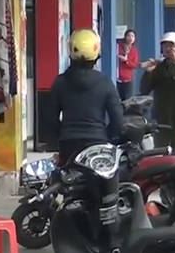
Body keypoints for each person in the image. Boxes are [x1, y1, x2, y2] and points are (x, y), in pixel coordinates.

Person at [49, 28, 124, 163]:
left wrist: (62, 134)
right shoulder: (105, 82)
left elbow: (50, 118)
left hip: (68, 143)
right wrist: (106, 136)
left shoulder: (60, 82)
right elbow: (117, 120)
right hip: (98, 143)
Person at [139, 32, 175, 157]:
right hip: (162, 120)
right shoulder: (158, 67)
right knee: (161, 156)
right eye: (165, 46)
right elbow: (144, 89)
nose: (168, 49)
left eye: (171, 46)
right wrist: (148, 73)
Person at [117, 29, 139, 100]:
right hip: (117, 79)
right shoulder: (119, 47)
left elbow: (134, 65)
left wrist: (126, 61)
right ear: (125, 37)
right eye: (129, 36)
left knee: (128, 101)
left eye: (133, 36)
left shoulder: (134, 50)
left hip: (128, 80)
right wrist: (119, 57)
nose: (130, 38)